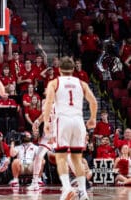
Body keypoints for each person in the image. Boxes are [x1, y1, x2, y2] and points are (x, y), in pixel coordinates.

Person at [44, 56, 97, 200]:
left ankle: (67, 188)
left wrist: (46, 121)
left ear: (59, 69)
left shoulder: (54, 82)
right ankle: (82, 192)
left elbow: (48, 102)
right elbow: (93, 101)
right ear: (73, 69)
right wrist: (92, 118)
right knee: (76, 159)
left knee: (61, 157)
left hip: (63, 120)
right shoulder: (81, 83)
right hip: (78, 121)